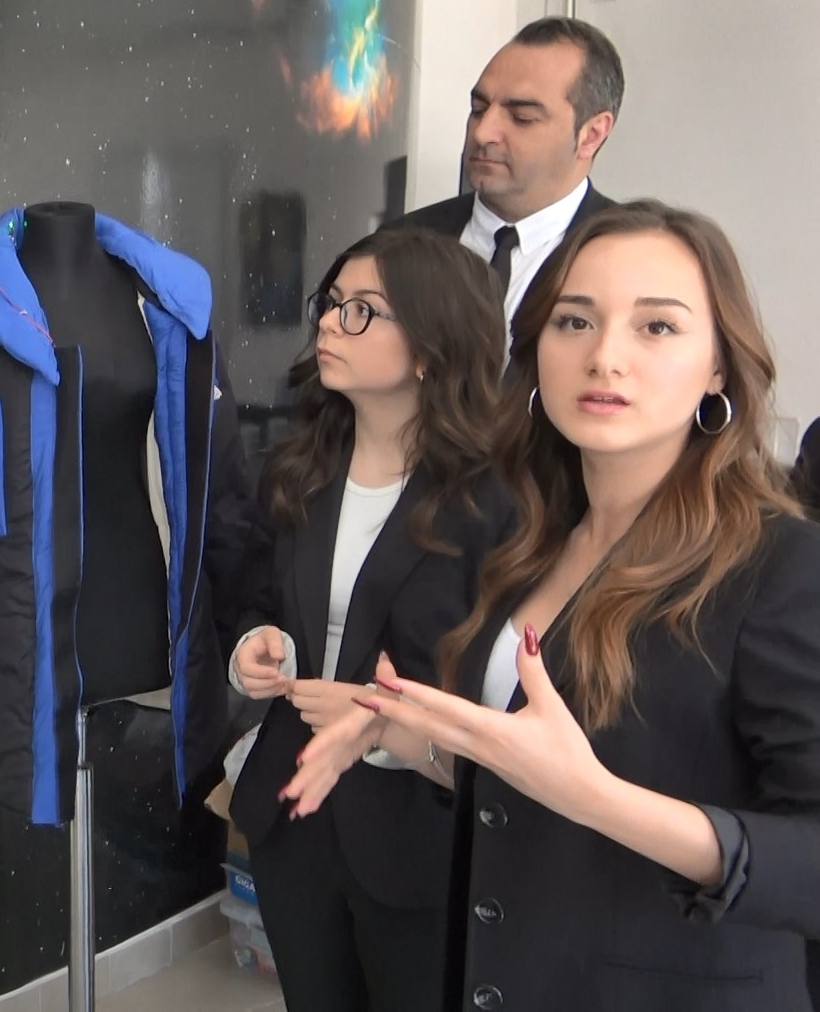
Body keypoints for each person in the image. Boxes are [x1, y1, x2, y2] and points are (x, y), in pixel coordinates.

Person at [286, 201, 820, 1010]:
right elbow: (523, 779)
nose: (604, 357)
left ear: (719, 366)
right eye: (575, 322)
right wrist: (412, 737)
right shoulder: (534, 541)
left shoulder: (779, 565)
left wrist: (597, 799)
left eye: (657, 327)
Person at [226, 226, 508, 1011]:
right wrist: (255, 647)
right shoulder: (299, 469)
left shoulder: (494, 505)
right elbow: (254, 600)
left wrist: (383, 721)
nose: (328, 323)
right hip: (293, 816)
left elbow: (500, 687)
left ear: (430, 348)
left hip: (418, 831)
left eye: (361, 311)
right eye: (331, 303)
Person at [393, 16, 623, 323]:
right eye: (478, 110)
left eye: (521, 117)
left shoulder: (638, 259)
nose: (482, 133)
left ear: (591, 135)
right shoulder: (397, 246)